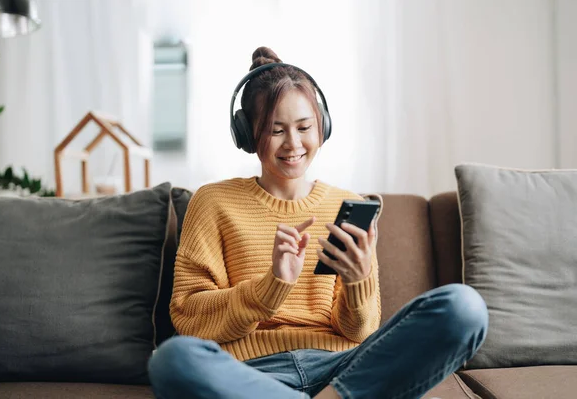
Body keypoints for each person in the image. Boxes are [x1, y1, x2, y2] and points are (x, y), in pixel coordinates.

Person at [148, 47, 488, 399]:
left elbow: (359, 331)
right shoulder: (214, 201)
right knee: (172, 358)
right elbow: (189, 319)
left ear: (322, 126)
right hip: (249, 374)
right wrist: (272, 286)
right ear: (247, 134)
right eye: (275, 130)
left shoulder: (347, 205)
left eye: (304, 127)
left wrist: (358, 281)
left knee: (463, 307)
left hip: (342, 371)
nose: (293, 144)